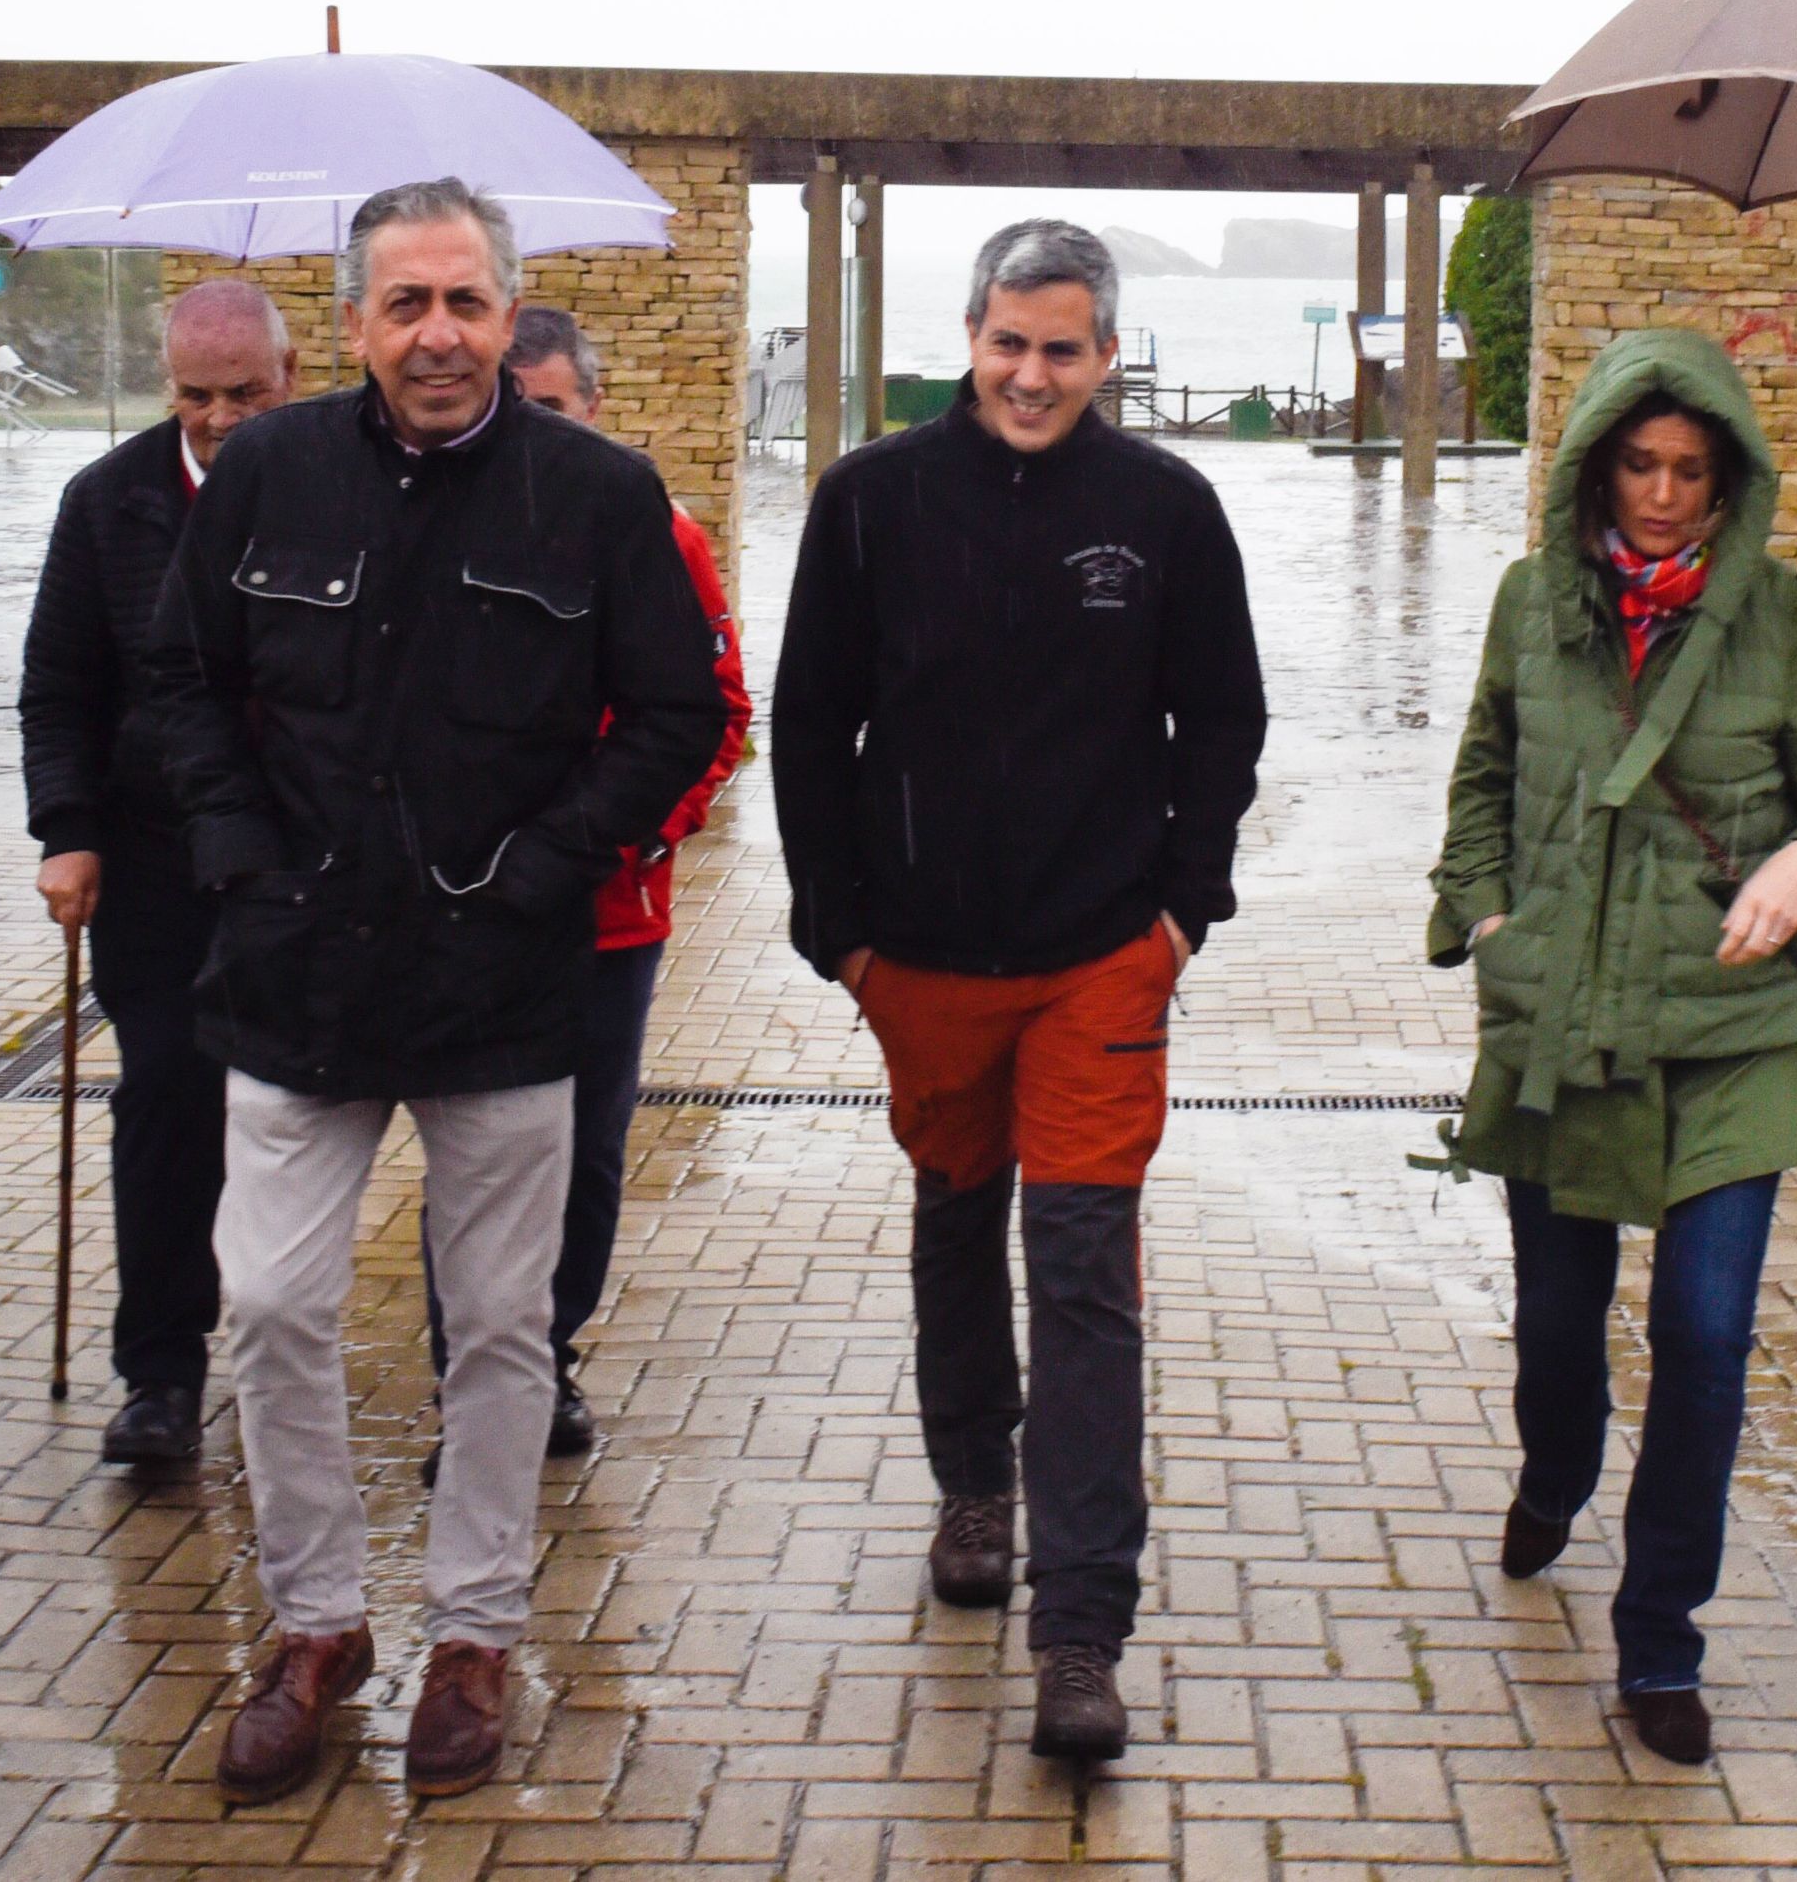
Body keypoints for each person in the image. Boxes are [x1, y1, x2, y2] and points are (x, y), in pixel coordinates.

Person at [142, 179, 727, 1803]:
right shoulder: (267, 474)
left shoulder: (597, 494)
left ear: (505, 312)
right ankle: (316, 1621)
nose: (439, 334)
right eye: (405, 303)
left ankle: (471, 1633)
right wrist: (236, 848)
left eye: (466, 301)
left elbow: (680, 710)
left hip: (502, 982)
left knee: (499, 1326)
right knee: (270, 1303)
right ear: (352, 324)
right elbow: (180, 677)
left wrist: (555, 860)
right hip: (295, 972)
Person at [770, 219, 1268, 1763]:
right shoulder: (867, 502)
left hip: (1097, 956)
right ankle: (973, 1486)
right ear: (969, 339)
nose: (1030, 375)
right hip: (916, 956)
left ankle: (1080, 1630)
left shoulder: (1165, 510)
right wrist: (839, 933)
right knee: (954, 1213)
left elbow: (1223, 721)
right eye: (1007, 344)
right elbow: (808, 724)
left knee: (1081, 1267)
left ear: (1106, 355)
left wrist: (1180, 911)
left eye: (1060, 350)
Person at [1427, 328, 1797, 1766]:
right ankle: (1553, 1469)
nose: (1661, 495)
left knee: (1702, 1334)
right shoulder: (1530, 604)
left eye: (1692, 471)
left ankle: (1659, 1639)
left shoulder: (1790, 622)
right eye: (1637, 464)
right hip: (1562, 1020)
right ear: (1592, 466)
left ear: (1727, 479)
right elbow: (1482, 777)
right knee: (1558, 1325)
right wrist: (1486, 918)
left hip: (1733, 1034)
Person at [416, 304, 753, 1459]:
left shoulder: (661, 533)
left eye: (553, 409)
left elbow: (718, 714)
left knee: (588, 1151)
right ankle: (466, 1379)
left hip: (609, 912)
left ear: (595, 407)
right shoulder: (435, 529)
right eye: (516, 408)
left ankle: (546, 1355)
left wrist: (642, 838)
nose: (533, 430)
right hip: (465, 907)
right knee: (468, 1152)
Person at [19, 277, 298, 1469]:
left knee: (296, 1109)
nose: (220, 418)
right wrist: (65, 830)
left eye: (245, 394)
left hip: (301, 851)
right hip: (151, 853)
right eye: (195, 396)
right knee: (167, 1098)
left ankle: (290, 1354)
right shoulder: (107, 500)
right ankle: (160, 1370)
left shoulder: (340, 481)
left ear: (291, 377)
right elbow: (58, 686)